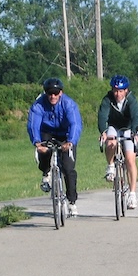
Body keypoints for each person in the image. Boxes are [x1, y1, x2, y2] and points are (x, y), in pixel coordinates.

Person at [27, 77, 82, 217]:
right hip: (47, 133)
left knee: (68, 169)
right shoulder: (39, 105)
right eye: (49, 93)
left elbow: (75, 123)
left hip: (65, 135)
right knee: (44, 151)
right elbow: (33, 124)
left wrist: (70, 141)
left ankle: (72, 202)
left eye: (56, 93)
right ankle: (46, 173)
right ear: (46, 93)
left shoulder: (69, 104)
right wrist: (37, 142)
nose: (53, 96)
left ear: (61, 93)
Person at [98, 75, 138, 209]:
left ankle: (132, 194)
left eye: (121, 91)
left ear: (126, 91)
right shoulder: (107, 99)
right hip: (113, 127)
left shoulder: (131, 100)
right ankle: (111, 166)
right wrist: (103, 132)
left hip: (128, 128)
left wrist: (135, 132)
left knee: (130, 159)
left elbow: (136, 116)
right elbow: (102, 116)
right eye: (116, 90)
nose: (118, 94)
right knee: (111, 142)